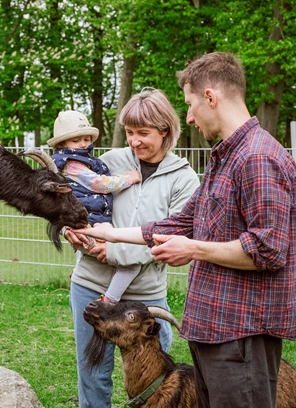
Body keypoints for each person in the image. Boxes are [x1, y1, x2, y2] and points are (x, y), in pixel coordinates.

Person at [72, 52, 296, 408]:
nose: (189, 117)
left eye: (191, 105)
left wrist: (193, 249)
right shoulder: (225, 159)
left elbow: (268, 249)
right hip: (212, 333)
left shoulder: (257, 158)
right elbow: (176, 224)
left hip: (240, 334)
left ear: (211, 97)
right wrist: (103, 232)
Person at [63, 90, 200, 408]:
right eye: (129, 132)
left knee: (156, 381)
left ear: (165, 131)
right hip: (91, 285)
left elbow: (167, 238)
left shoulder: (184, 179)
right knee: (93, 372)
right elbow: (78, 204)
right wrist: (70, 230)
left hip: (146, 297)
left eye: (143, 133)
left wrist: (112, 252)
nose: (134, 141)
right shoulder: (110, 163)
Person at [48, 110, 141, 303]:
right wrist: (128, 179)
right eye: (77, 140)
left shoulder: (81, 160)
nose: (83, 144)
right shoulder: (72, 164)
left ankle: (79, 274)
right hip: (90, 222)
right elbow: (99, 184)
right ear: (62, 144)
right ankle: (110, 299)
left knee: (92, 248)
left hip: (89, 221)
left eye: (86, 139)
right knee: (131, 264)